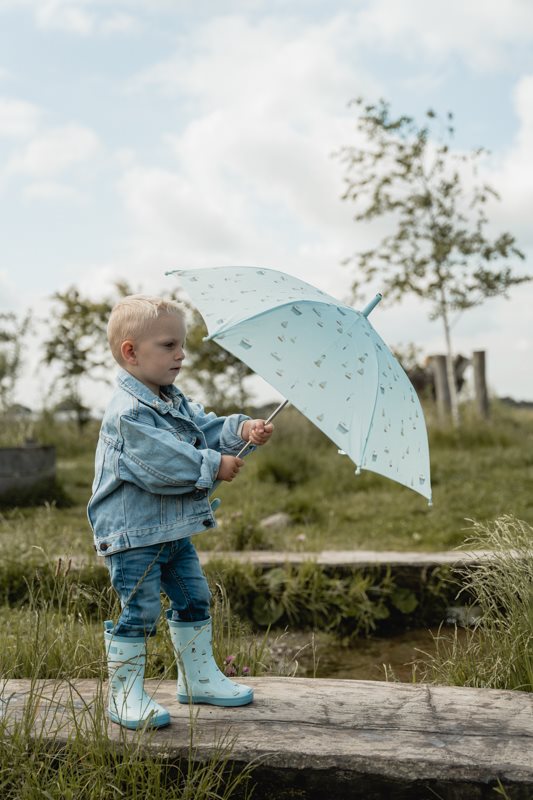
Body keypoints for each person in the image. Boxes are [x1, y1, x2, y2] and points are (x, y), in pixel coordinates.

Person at [87, 294, 273, 730]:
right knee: (140, 610)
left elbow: (201, 427)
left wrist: (241, 429)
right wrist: (214, 465)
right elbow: (161, 464)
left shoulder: (170, 399)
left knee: (194, 597)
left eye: (181, 345)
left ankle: (198, 677)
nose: (181, 354)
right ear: (131, 351)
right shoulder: (128, 413)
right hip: (133, 536)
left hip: (171, 529)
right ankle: (124, 694)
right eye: (169, 345)